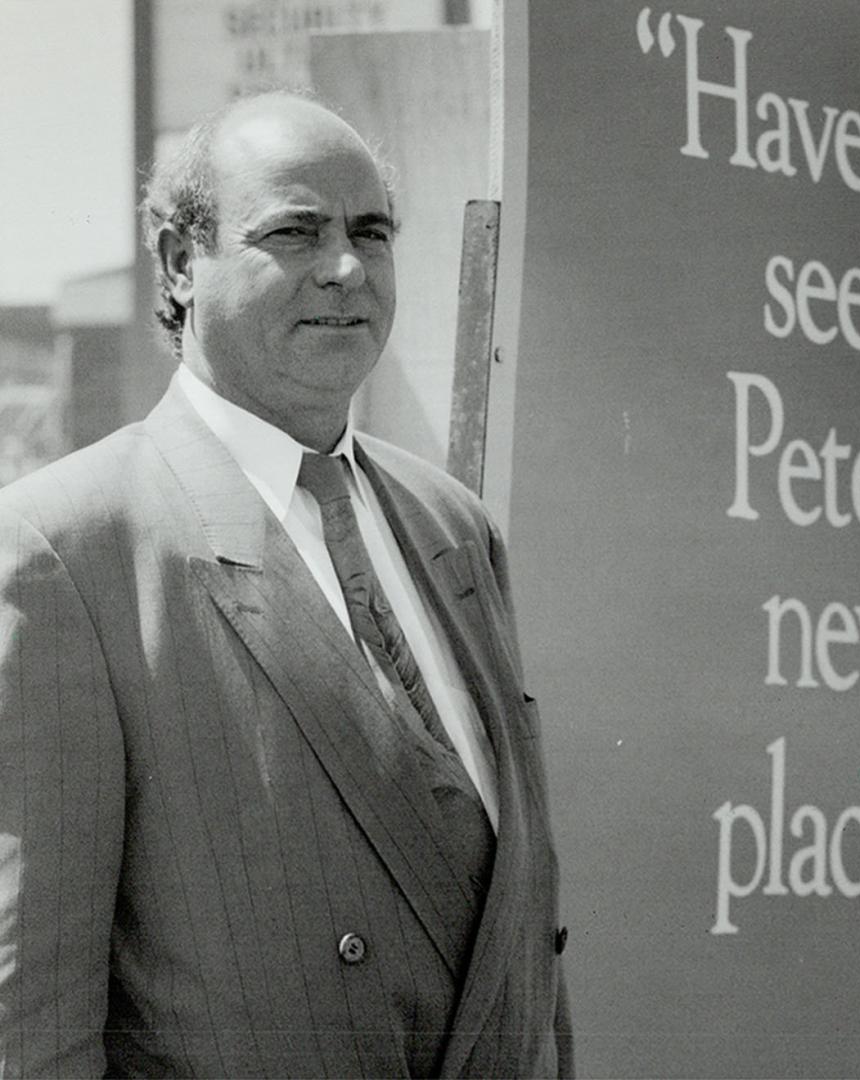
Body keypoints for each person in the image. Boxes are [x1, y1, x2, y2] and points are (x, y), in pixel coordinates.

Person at [0, 91, 571, 1077]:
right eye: (294, 232)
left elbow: (518, 945)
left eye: (371, 232)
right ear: (181, 261)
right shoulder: (70, 550)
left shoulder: (453, 527)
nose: (345, 268)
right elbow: (34, 1020)